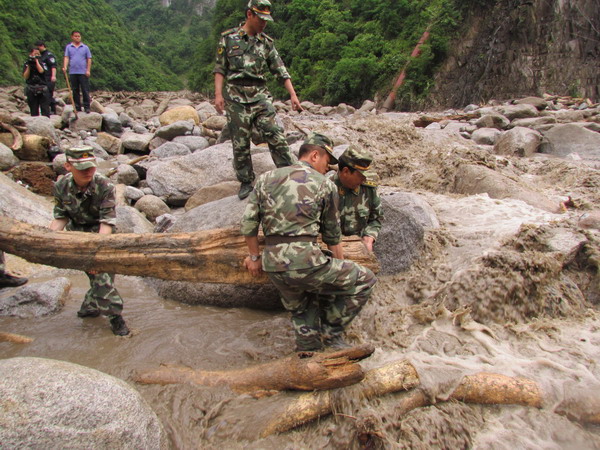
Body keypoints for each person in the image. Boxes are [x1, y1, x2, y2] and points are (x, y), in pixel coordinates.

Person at [240, 133, 377, 352]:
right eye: (326, 162)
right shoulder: (325, 185)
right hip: (306, 261)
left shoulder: (265, 179)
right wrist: (340, 268)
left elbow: (248, 224)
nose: (327, 168)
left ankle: (309, 356)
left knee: (303, 309)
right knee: (365, 280)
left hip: (273, 266)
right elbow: (333, 237)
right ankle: (332, 336)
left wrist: (254, 257)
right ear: (314, 155)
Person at [214, 0, 302, 200]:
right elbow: (220, 69)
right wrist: (218, 95)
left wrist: (293, 95)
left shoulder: (266, 43)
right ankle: (246, 181)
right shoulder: (228, 39)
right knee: (241, 142)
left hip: (260, 95)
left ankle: (290, 174)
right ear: (249, 15)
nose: (264, 23)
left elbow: (280, 70)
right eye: (260, 19)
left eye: (266, 20)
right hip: (236, 96)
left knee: (274, 133)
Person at [49, 146, 129, 336]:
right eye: (82, 168)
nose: (88, 172)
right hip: (78, 236)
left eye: (91, 167)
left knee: (101, 275)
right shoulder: (61, 187)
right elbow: (61, 217)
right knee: (99, 279)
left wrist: (96, 255)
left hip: (102, 236)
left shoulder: (105, 187)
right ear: (68, 166)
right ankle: (99, 311)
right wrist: (47, 239)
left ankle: (108, 315)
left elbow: (107, 223)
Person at [330, 145, 383, 252]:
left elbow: (376, 218)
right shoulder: (326, 188)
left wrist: (369, 237)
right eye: (361, 176)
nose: (363, 180)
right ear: (345, 171)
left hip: (358, 249)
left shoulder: (368, 189)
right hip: (331, 250)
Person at [63, 31, 92, 113]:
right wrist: (65, 66)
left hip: (83, 72)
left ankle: (87, 107)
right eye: (75, 36)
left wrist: (88, 70)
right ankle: (77, 107)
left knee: (85, 89)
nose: (77, 37)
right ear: (72, 37)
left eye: (79, 36)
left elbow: (89, 59)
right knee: (75, 90)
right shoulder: (69, 47)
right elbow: (66, 57)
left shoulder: (85, 47)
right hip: (73, 71)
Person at [22, 46, 50, 117]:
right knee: (33, 110)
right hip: (31, 88)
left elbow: (41, 71)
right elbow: (25, 76)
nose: (37, 55)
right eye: (35, 54)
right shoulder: (27, 63)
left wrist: (37, 61)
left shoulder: (42, 62)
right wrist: (29, 65)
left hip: (42, 87)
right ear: (30, 54)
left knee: (45, 109)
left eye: (38, 54)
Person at [35, 40, 58, 114]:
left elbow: (53, 66)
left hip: (49, 77)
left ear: (42, 46)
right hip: (42, 78)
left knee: (49, 93)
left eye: (38, 48)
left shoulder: (49, 55)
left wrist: (53, 76)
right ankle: (45, 109)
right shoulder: (39, 56)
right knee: (43, 94)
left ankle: (53, 109)